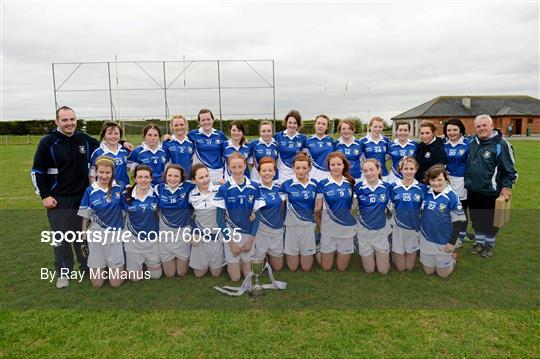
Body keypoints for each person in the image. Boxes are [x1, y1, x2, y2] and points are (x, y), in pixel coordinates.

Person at [31, 106, 100, 288]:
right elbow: (37, 171)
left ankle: (86, 267)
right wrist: (44, 195)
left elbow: (106, 145)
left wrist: (123, 142)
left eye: (72, 119)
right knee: (61, 237)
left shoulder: (84, 140)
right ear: (57, 122)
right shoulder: (48, 142)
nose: (69, 123)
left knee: (82, 235)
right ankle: (63, 273)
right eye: (65, 120)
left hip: (82, 197)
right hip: (59, 199)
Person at [465, 114, 517, 257]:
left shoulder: (501, 144)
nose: (481, 128)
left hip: (491, 192)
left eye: (484, 125)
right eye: (478, 126)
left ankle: (489, 246)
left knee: (491, 221)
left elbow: (510, 170)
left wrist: (506, 187)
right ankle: (479, 244)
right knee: (476, 219)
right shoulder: (471, 142)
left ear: (491, 126)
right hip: (473, 189)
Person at [214, 152, 265, 282]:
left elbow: (257, 216)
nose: (237, 170)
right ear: (229, 168)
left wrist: (250, 239)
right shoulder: (224, 189)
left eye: (240, 166)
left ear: (245, 166)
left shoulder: (254, 187)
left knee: (249, 276)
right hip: (231, 233)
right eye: (234, 167)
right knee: (236, 278)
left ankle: (244, 259)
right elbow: (220, 219)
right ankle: (232, 261)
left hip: (248, 233)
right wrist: (230, 243)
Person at [78, 156, 125, 288]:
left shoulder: (119, 188)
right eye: (101, 172)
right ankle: (103, 266)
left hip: (115, 236)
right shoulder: (90, 191)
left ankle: (116, 267)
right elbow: (86, 215)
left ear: (112, 173)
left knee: (115, 284)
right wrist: (84, 231)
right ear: (96, 172)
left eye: (108, 173)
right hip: (96, 236)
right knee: (97, 284)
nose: (104, 176)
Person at [419, 165, 466, 278]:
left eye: (439, 180)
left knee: (443, 274)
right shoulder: (426, 192)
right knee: (428, 272)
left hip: (444, 240)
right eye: (433, 180)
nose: (436, 183)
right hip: (426, 237)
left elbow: (458, 222)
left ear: (445, 179)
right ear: (429, 181)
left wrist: (452, 242)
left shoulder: (452, 196)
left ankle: (452, 258)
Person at [315, 152, 356, 271]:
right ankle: (318, 251)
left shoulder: (350, 182)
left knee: (342, 268)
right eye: (333, 164)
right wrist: (322, 225)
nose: (336, 167)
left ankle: (338, 250)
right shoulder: (322, 183)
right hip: (329, 228)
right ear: (329, 167)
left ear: (344, 166)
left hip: (346, 227)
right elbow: (318, 209)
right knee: (326, 267)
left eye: (339, 164)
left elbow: (352, 207)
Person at [122, 165, 162, 281]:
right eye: (140, 177)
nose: (143, 180)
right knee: (134, 279)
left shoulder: (157, 193)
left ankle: (145, 263)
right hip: (133, 240)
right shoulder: (126, 195)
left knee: (156, 276)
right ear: (134, 179)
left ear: (150, 178)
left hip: (152, 239)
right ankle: (137, 264)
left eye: (146, 177)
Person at [154, 164, 195, 278]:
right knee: (170, 274)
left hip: (183, 232)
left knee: (181, 273)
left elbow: (203, 185)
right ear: (165, 176)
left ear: (182, 177)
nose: (172, 179)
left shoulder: (188, 187)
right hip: (165, 233)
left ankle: (181, 257)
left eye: (176, 176)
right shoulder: (158, 188)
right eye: (169, 175)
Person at [281, 153, 318, 271]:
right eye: (298, 168)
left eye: (304, 168)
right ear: (293, 167)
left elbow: (318, 206)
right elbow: (280, 206)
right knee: (292, 268)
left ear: (309, 168)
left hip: (308, 225)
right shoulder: (286, 185)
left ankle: (318, 250)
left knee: (306, 268)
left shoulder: (315, 184)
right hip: (291, 226)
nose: (301, 171)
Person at [354, 159, 392, 274]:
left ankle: (389, 247)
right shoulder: (359, 187)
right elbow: (351, 207)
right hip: (364, 230)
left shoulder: (387, 187)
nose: (369, 173)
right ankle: (357, 242)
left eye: (372, 169)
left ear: (379, 169)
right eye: (365, 171)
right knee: (369, 270)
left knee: (383, 271)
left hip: (380, 230)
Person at [188, 164, 225, 278]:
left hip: (217, 237)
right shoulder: (191, 195)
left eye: (206, 176)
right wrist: (193, 233)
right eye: (201, 177)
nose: (205, 180)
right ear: (194, 181)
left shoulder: (219, 189)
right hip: (201, 237)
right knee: (199, 274)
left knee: (216, 274)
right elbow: (191, 216)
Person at [389, 157, 426, 272]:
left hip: (413, 226)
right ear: (401, 170)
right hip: (397, 226)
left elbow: (424, 209)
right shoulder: (393, 186)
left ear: (416, 170)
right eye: (406, 168)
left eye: (411, 168)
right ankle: (393, 253)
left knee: (409, 268)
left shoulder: (421, 188)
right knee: (401, 268)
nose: (409, 171)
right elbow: (389, 206)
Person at [254, 157, 286, 271]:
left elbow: (283, 205)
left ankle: (269, 255)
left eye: (270, 170)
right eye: (264, 171)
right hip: (260, 231)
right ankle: (263, 255)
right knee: (257, 269)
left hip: (276, 230)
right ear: (259, 172)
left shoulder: (280, 188)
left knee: (278, 267)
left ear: (275, 172)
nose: (267, 173)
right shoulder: (254, 188)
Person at [443, 118, 470, 247]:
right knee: (448, 209)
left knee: (461, 210)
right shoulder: (444, 145)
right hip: (447, 181)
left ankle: (461, 236)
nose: (452, 132)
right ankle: (450, 233)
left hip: (462, 182)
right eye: (449, 130)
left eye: (455, 130)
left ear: (460, 130)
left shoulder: (467, 144)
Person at [188, 109, 228, 183]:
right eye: (203, 120)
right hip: (201, 173)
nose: (206, 122)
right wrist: (171, 137)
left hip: (218, 172)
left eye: (208, 119)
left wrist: (243, 141)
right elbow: (181, 140)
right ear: (199, 122)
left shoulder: (220, 135)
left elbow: (229, 150)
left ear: (213, 120)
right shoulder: (193, 134)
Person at [89, 122, 130, 189]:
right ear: (104, 135)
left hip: (123, 189)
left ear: (120, 135)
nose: (113, 136)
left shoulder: (124, 150)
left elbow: (127, 168)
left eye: (116, 133)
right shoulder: (98, 153)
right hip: (106, 191)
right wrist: (96, 190)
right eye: (109, 133)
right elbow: (92, 176)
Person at [274, 110, 307, 184]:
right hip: (281, 175)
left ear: (298, 124)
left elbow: (306, 157)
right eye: (290, 122)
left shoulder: (303, 138)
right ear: (286, 123)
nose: (292, 125)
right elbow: (265, 140)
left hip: (297, 175)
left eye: (295, 123)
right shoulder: (278, 136)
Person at [358, 116, 391, 181]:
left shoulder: (386, 140)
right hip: (368, 175)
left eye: (380, 127)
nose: (378, 129)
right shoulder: (362, 141)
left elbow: (390, 155)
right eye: (375, 126)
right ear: (370, 126)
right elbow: (360, 159)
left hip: (383, 174)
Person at [306, 114, 334, 181]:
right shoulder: (307, 141)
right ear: (315, 125)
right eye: (318, 123)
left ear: (327, 127)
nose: (320, 126)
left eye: (323, 124)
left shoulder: (331, 140)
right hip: (312, 177)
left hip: (328, 177)